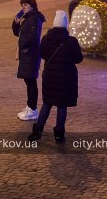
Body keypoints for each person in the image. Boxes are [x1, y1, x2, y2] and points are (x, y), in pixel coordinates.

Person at [27, 11, 83, 144]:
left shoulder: (46, 38)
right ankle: (59, 134)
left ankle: (38, 130)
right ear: (66, 24)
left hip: (50, 76)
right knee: (62, 106)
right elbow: (78, 59)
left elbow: (43, 54)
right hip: (65, 78)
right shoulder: (71, 41)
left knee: (47, 103)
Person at [12, 0, 44, 121]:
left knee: (31, 81)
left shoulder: (34, 18)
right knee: (28, 81)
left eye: (25, 5)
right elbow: (17, 33)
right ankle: (30, 107)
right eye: (22, 5)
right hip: (26, 54)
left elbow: (32, 37)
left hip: (31, 54)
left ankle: (32, 109)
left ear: (32, 6)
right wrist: (16, 22)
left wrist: (23, 46)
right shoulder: (26, 18)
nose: (23, 7)